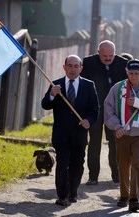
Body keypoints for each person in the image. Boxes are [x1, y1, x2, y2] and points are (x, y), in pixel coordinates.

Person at [104, 59, 139, 211]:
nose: (134, 76)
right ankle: (124, 194)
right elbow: (108, 110)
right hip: (123, 133)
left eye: (137, 73)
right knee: (123, 163)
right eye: (131, 73)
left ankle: (134, 199)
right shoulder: (117, 88)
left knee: (138, 163)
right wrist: (116, 126)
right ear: (126, 72)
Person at [41, 54, 99, 206]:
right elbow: (45, 105)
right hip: (61, 135)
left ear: (81, 68)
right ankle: (62, 195)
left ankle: (73, 191)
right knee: (62, 164)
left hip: (79, 134)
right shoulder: (56, 85)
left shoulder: (88, 85)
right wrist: (52, 95)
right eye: (70, 66)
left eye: (76, 66)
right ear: (64, 67)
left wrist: (88, 120)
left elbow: (94, 109)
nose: (72, 69)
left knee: (77, 165)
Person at [81, 40, 128, 185]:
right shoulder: (88, 63)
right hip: (94, 108)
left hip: (115, 109)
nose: (108, 58)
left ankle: (116, 174)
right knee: (94, 142)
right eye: (104, 56)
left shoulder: (123, 64)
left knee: (115, 141)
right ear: (98, 53)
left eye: (111, 55)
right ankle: (93, 176)